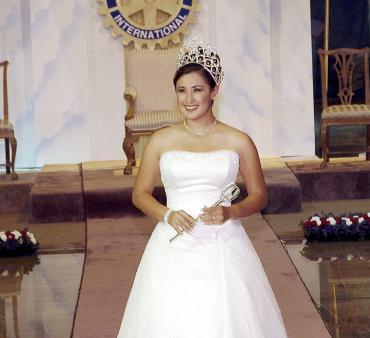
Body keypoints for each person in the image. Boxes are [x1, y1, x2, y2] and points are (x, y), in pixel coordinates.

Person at [117, 36, 288, 338]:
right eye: (181, 91)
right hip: (172, 241)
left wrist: (230, 211)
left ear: (214, 91)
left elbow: (259, 195)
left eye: (197, 89)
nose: (189, 99)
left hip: (223, 242)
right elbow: (139, 194)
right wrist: (167, 215)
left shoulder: (238, 140)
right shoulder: (161, 139)